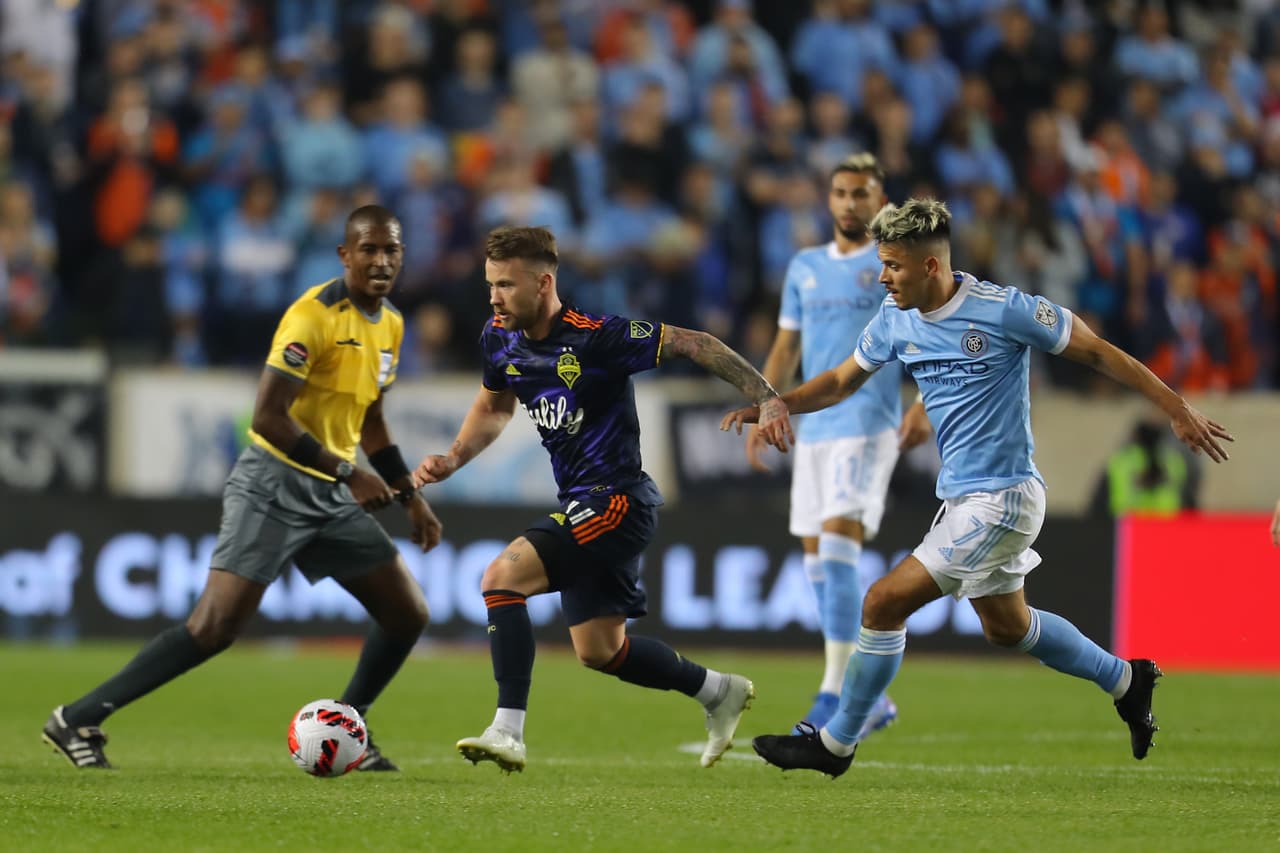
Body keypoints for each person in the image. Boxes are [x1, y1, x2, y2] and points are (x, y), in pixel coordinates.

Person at [723, 199, 1233, 777]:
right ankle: (1126, 679)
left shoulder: (1004, 310)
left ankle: (835, 744)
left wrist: (1176, 407)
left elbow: (1096, 350)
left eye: (891, 265)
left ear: (931, 266)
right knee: (1008, 627)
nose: (882, 277)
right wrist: (776, 402)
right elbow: (842, 381)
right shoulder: (894, 318)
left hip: (1005, 498)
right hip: (962, 498)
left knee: (882, 602)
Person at [42, 205, 443, 771]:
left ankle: (348, 724)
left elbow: (372, 421)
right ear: (344, 255)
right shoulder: (313, 316)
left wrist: (411, 496)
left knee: (407, 613)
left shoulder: (392, 325)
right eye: (369, 249)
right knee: (213, 628)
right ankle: (77, 717)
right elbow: (267, 417)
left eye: (391, 250)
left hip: (329, 495)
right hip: (274, 485)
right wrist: (348, 472)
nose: (381, 260)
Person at [412, 225, 793, 773]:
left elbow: (697, 343)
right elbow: (495, 405)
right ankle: (717, 691)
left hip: (617, 500)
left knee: (501, 578)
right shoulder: (500, 337)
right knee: (600, 650)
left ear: (544, 283)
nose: (493, 297)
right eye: (490, 284)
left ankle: (507, 730)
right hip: (582, 502)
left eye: (506, 285)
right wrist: (452, 457)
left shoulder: (599, 336)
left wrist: (768, 398)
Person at [746, 153, 930, 735]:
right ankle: (867, 695)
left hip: (867, 421)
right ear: (829, 200)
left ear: (880, 202)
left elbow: (930, 326)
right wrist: (764, 404)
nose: (850, 203)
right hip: (815, 430)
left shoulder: (891, 265)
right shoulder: (803, 266)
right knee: (814, 559)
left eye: (861, 193)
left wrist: (923, 401)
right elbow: (785, 347)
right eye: (841, 193)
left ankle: (839, 689)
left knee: (835, 546)